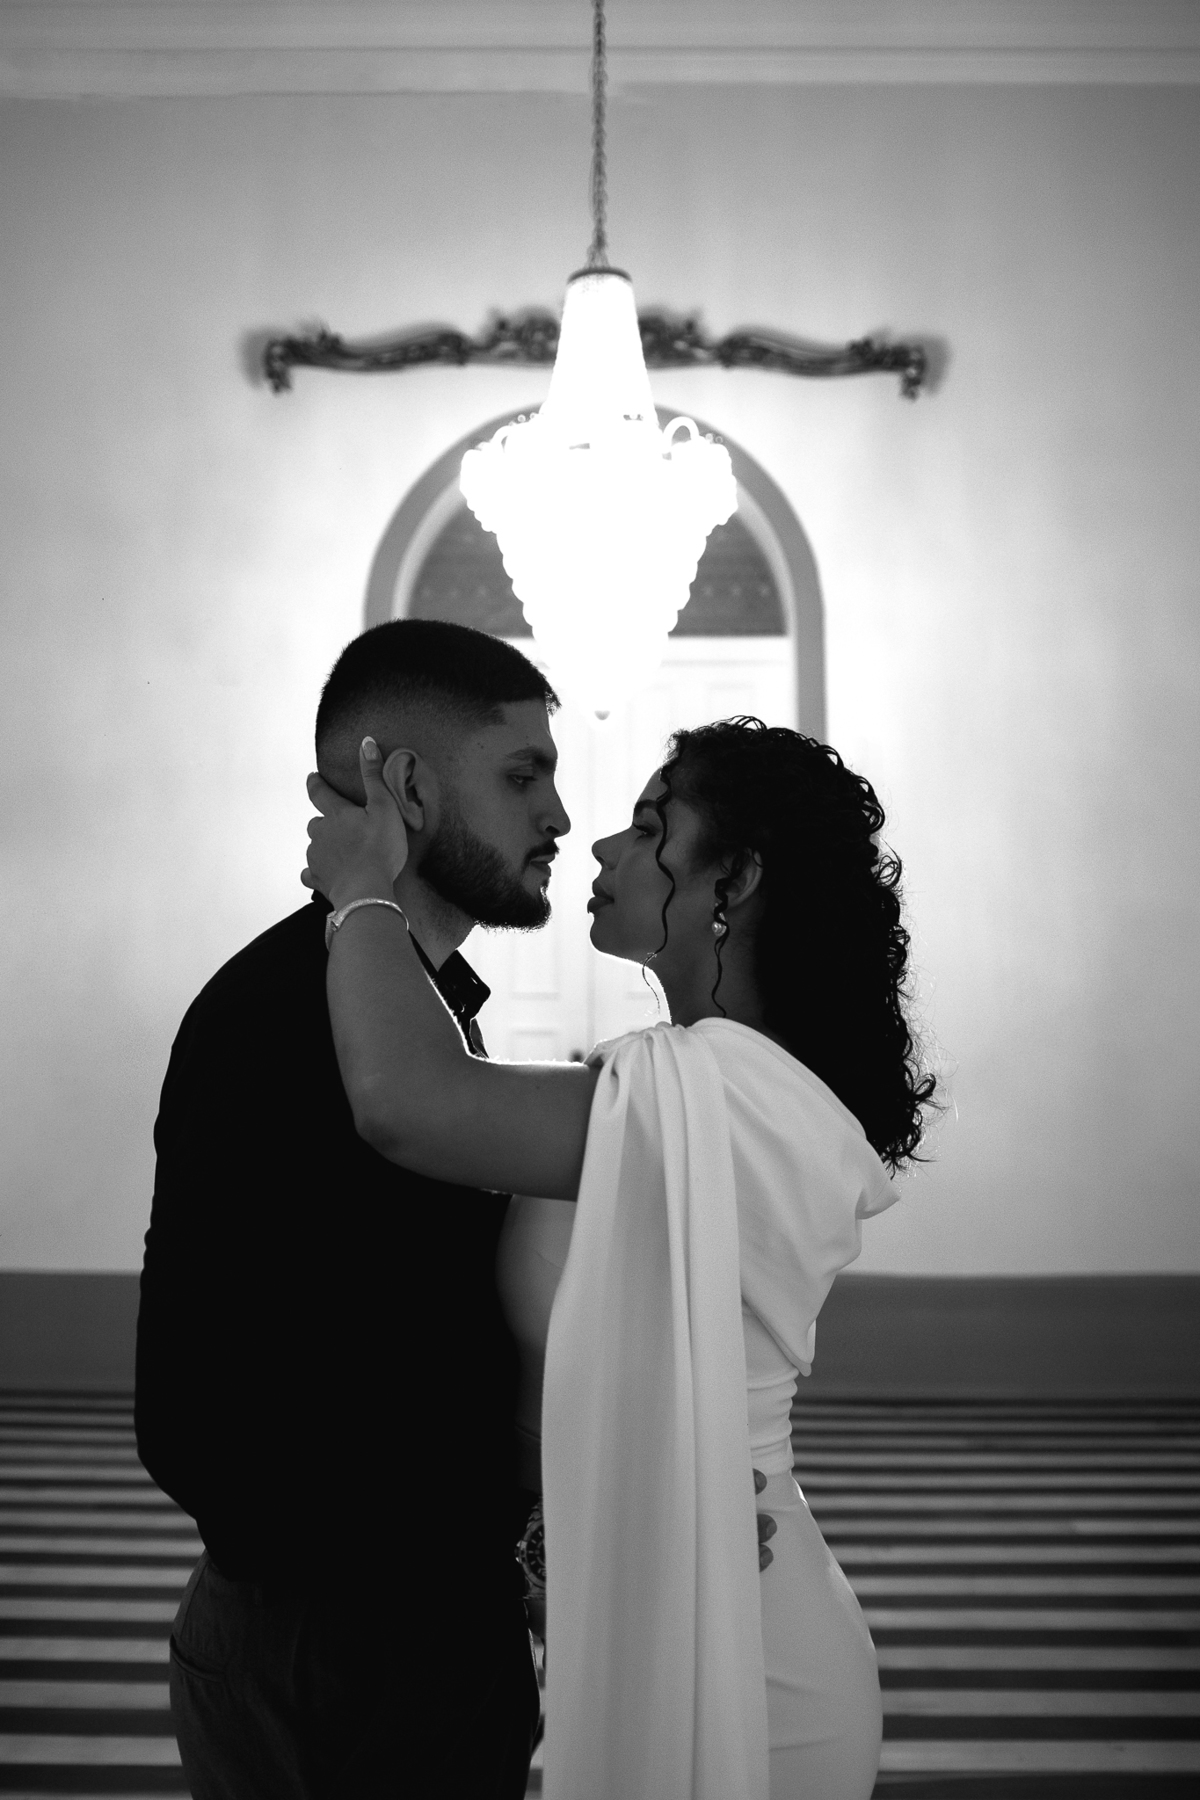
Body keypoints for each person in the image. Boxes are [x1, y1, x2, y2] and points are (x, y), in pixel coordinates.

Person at [303, 713, 937, 1800]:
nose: (600, 846)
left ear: (734, 877)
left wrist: (362, 893)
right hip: (670, 1594)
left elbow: (407, 1103)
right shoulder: (681, 1085)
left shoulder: (727, 1094)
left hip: (755, 1659)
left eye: (650, 828)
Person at [136, 619, 571, 1800]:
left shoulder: (422, 1011)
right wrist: (412, 1576)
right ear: (408, 788)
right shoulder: (278, 1012)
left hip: (415, 1627)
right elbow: (197, 1391)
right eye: (523, 775)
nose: (558, 816)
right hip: (336, 1651)